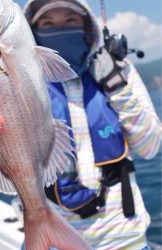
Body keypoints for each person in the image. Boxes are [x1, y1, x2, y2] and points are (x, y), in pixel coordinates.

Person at [22, 0, 162, 249]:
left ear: (87, 26)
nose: (60, 29)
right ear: (33, 33)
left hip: (124, 240)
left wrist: (117, 86)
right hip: (55, 241)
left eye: (70, 20)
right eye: (48, 23)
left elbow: (150, 148)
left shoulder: (119, 70)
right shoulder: (23, 83)